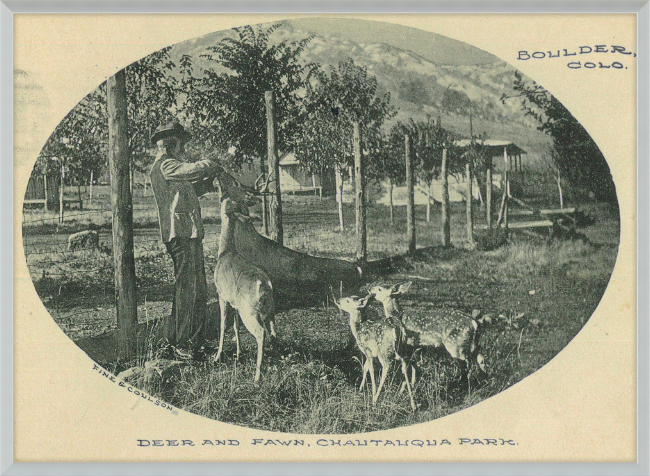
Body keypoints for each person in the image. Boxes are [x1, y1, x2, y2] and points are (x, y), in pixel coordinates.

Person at [149, 120, 218, 358]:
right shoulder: (166, 165)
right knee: (187, 289)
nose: (184, 149)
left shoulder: (173, 168)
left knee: (197, 289)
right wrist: (210, 165)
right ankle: (183, 344)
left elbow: (186, 190)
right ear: (170, 144)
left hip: (189, 233)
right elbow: (192, 170)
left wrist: (206, 185)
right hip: (180, 234)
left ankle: (194, 342)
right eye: (181, 144)